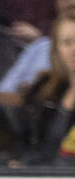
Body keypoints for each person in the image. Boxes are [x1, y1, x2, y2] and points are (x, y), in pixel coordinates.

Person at [13, 15, 75, 165]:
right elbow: (31, 146)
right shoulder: (42, 89)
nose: (74, 49)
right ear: (56, 49)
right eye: (67, 42)